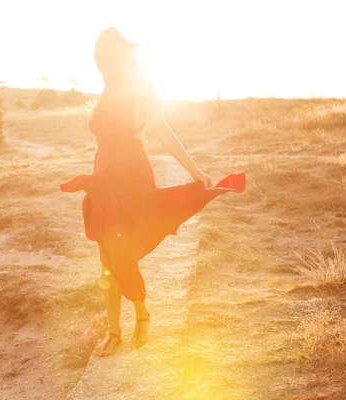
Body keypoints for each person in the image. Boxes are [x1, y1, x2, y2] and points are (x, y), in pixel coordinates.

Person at [60, 27, 246, 357]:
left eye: (103, 57)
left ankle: (142, 315)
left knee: (119, 254)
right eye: (97, 58)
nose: (99, 63)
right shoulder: (106, 88)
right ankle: (115, 331)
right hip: (103, 176)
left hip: (131, 175)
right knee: (106, 257)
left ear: (116, 56)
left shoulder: (143, 88)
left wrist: (194, 171)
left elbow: (163, 131)